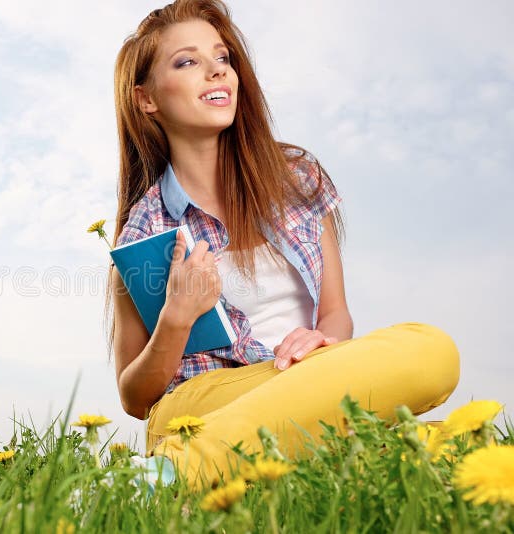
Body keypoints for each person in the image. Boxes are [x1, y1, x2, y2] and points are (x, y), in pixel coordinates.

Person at [105, 0, 461, 491]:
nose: (216, 72)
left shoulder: (297, 178)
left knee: (432, 352)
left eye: (223, 58)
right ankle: (183, 466)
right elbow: (135, 398)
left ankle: (177, 472)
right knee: (424, 434)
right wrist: (177, 318)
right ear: (147, 100)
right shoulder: (146, 231)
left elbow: (335, 314)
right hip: (201, 404)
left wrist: (324, 342)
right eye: (188, 62)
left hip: (307, 380)